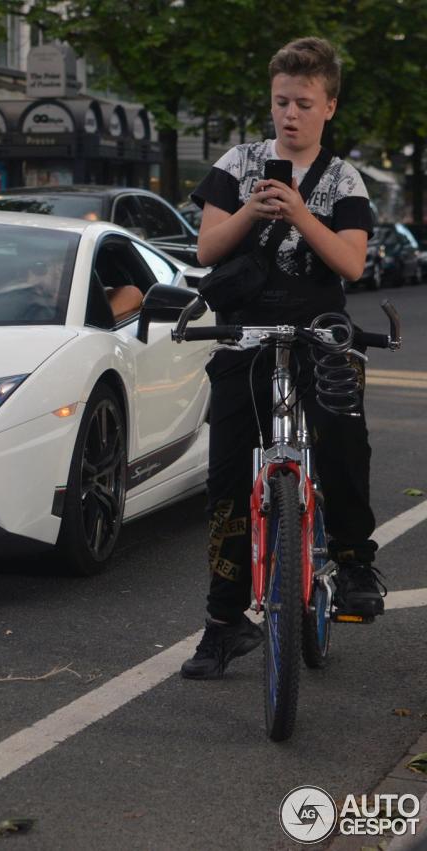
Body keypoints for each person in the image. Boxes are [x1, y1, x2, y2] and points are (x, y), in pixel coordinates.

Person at [180, 37, 381, 680]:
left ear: (329, 107)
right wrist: (252, 210)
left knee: (344, 435)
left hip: (319, 329)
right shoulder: (238, 163)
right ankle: (222, 621)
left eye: (302, 103)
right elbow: (208, 249)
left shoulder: (344, 178)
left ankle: (352, 563)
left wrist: (299, 212)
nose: (289, 115)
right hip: (244, 333)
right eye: (279, 102)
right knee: (227, 475)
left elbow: (351, 262)